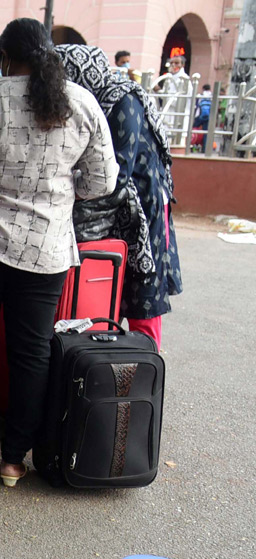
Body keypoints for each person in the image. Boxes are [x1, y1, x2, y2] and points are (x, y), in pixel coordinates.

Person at [0, 18, 117, 486]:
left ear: (7, 57)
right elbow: (101, 182)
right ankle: (14, 461)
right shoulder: (82, 103)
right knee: (31, 354)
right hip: (46, 249)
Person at [57, 44, 182, 349]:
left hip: (142, 206)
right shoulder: (91, 103)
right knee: (108, 288)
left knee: (143, 295)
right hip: (111, 205)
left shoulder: (123, 100)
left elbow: (118, 170)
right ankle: (108, 362)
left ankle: (144, 364)